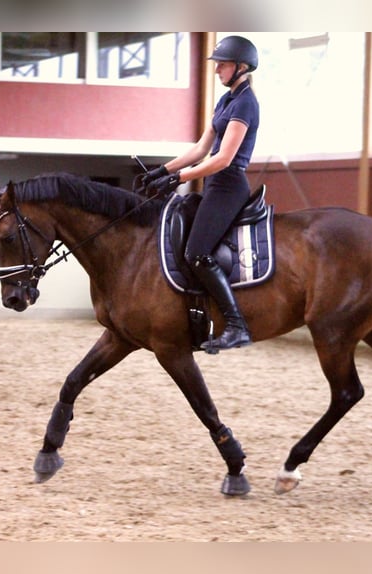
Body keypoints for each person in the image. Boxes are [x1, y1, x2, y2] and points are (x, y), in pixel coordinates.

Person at [143, 35, 260, 352]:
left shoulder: (246, 103)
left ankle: (236, 325)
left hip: (229, 185)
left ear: (241, 66)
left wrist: (179, 177)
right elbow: (200, 149)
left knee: (197, 253)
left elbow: (223, 158)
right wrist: (163, 170)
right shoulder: (225, 102)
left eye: (222, 64)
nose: (217, 69)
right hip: (212, 185)